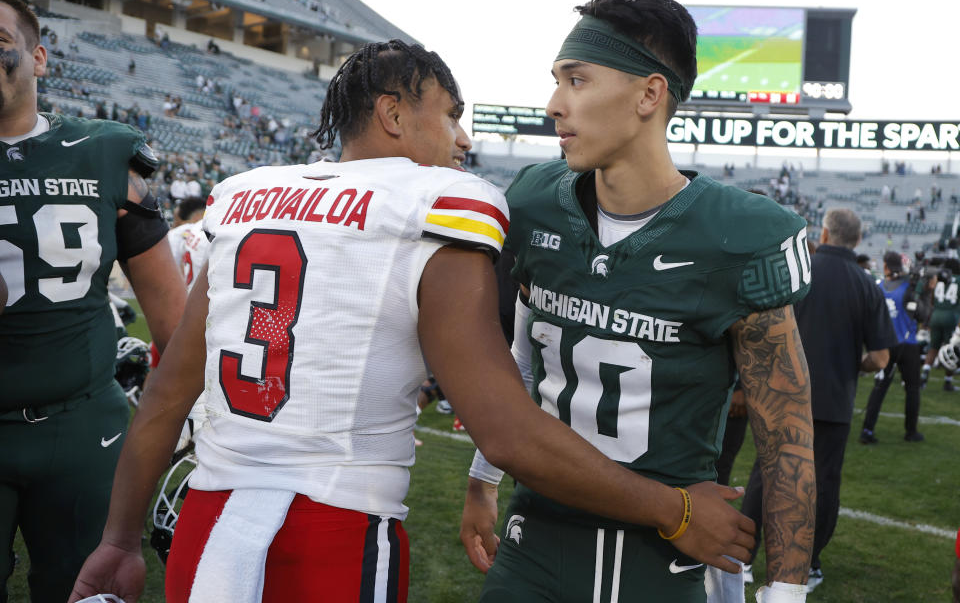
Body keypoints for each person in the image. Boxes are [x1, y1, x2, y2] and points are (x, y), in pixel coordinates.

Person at [70, 40, 755, 603]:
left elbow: (164, 397)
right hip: (331, 534)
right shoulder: (434, 204)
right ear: (395, 115)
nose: (462, 139)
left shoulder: (248, 197)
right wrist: (677, 512)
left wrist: (119, 540)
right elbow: (509, 433)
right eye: (451, 115)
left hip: (206, 528)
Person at [460, 0, 815, 603]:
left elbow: (785, 434)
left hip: (665, 556)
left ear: (650, 95)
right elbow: (524, 353)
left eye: (577, 80)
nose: (554, 105)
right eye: (557, 80)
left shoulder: (736, 235)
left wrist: (785, 594)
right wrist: (481, 480)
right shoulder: (536, 202)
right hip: (536, 538)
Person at [0, 0, 187, 603]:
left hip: (81, 426)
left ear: (40, 57)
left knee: (84, 590)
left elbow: (175, 324)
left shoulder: (105, 152)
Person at [740, 208, 894, 592]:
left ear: (823, 234)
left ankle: (742, 558)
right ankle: (807, 567)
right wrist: (853, 364)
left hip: (780, 391)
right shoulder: (867, 283)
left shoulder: (797, 268)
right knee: (821, 483)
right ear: (856, 241)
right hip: (834, 397)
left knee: (767, 474)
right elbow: (880, 358)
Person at [859, 251, 926, 443]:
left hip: (885, 344)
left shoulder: (878, 286)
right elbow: (922, 315)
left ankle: (867, 430)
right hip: (908, 345)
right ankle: (911, 431)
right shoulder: (908, 287)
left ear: (886, 266)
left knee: (879, 388)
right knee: (912, 389)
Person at [921, 258, 960, 391]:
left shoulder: (938, 278)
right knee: (952, 351)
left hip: (936, 315)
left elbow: (931, 299)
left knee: (933, 347)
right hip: (951, 316)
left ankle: (924, 377)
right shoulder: (958, 280)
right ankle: (947, 382)